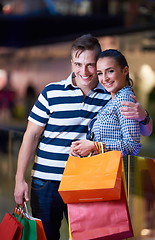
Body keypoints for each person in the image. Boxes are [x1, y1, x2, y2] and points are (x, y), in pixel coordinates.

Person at [14, 34, 152, 240]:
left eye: (90, 65)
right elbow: (31, 136)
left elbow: (144, 131)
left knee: (86, 237)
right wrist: (19, 179)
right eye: (78, 64)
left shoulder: (111, 94)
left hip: (86, 181)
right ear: (71, 63)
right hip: (45, 181)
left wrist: (145, 116)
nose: (84, 71)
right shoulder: (51, 92)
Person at [70, 49, 142, 157]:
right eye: (100, 73)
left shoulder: (124, 99)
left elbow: (132, 146)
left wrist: (95, 146)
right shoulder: (112, 100)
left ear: (125, 70)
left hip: (116, 172)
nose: (104, 79)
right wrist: (81, 148)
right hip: (104, 168)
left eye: (110, 71)